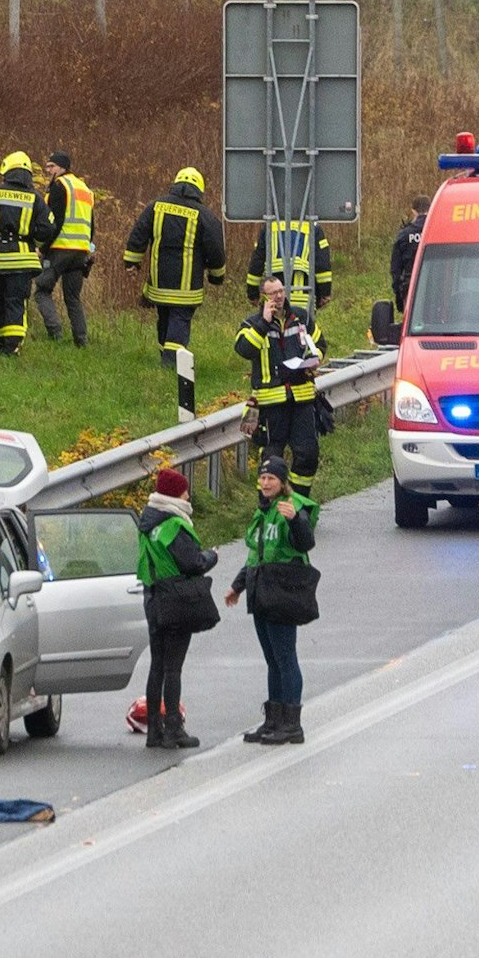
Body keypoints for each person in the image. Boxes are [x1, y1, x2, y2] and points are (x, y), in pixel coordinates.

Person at [224, 455, 319, 746]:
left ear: (282, 482)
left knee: (285, 658)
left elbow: (305, 544)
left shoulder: (292, 508)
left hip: (282, 589)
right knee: (272, 660)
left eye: (272, 479)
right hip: (261, 589)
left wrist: (295, 521)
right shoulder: (263, 511)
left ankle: (292, 724)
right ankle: (273, 720)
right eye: (263, 478)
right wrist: (237, 586)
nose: (265, 483)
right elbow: (256, 553)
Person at [136, 467, 218, 749]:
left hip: (152, 597)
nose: (188, 495)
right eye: (184, 490)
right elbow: (192, 563)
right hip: (176, 598)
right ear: (174, 494)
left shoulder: (147, 524)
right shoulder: (173, 525)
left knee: (156, 666)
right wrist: (211, 556)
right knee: (173, 668)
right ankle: (174, 728)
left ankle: (153, 733)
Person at [235, 274, 328, 495]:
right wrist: (264, 324)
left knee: (307, 453)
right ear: (262, 297)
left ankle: (297, 502)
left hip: (302, 399)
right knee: (271, 459)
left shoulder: (301, 317)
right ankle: (269, 505)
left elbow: (320, 343)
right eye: (273, 293)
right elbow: (244, 349)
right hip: (271, 406)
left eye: (280, 291)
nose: (278, 296)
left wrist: (315, 361)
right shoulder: (251, 324)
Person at [125, 167, 227, 368]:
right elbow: (216, 249)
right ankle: (171, 364)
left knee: (164, 317)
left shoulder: (156, 206)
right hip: (186, 287)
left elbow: (139, 233)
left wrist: (132, 262)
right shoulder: (204, 215)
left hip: (159, 281)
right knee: (179, 319)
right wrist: (217, 276)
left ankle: (165, 357)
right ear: (199, 190)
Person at [0, 151, 58, 356]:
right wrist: (34, 242)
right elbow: (49, 227)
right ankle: (11, 348)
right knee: (16, 301)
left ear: (6, 170)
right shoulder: (35, 198)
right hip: (21, 260)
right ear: (28, 174)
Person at [34, 151, 94, 347]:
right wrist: (88, 249)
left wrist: (43, 247)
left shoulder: (60, 186)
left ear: (62, 167)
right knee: (73, 297)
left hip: (60, 248)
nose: (48, 170)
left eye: (52, 166)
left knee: (42, 290)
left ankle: (55, 333)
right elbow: (91, 225)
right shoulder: (85, 188)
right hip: (81, 252)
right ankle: (81, 341)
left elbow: (55, 222)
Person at [248, 218, 332, 313]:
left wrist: (253, 294)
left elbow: (257, 263)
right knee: (303, 326)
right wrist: (325, 293)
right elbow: (322, 264)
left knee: (273, 326)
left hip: (274, 300)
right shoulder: (313, 227)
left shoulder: (270, 228)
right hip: (303, 301)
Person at [390, 195, 430, 309]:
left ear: (413, 211)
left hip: (411, 288)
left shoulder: (404, 234)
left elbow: (395, 269)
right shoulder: (437, 230)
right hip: (435, 289)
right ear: (430, 209)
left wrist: (398, 293)